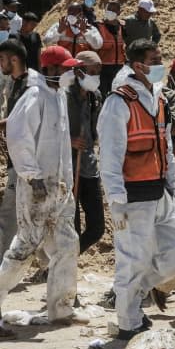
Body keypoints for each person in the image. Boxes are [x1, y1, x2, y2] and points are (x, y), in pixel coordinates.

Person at [98, 39, 175, 340]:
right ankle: (127, 321)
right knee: (132, 261)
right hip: (133, 194)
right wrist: (116, 201)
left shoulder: (159, 99)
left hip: (160, 191)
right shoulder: (119, 102)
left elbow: (167, 149)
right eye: (156, 59)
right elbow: (110, 156)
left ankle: (136, 297)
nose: (160, 64)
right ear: (138, 66)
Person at [0, 46, 83, 338]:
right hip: (37, 186)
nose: (71, 73)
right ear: (51, 70)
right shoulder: (35, 96)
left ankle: (60, 308)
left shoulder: (57, 95)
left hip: (58, 188)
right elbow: (18, 136)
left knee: (66, 244)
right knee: (24, 248)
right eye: (66, 68)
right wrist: (33, 177)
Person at [67, 50, 105, 255]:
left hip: (89, 166)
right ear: (79, 71)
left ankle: (68, 257)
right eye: (92, 71)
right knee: (71, 228)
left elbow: (95, 130)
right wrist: (69, 140)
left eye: (98, 72)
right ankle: (62, 265)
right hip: (68, 169)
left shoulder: (95, 96)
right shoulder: (63, 95)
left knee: (97, 228)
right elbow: (48, 130)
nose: (96, 77)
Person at [0, 40, 29, 257]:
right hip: (15, 159)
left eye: (2, 59)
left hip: (27, 163)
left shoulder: (32, 86)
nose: (0, 64)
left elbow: (25, 119)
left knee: (15, 213)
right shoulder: (12, 83)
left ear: (14, 59)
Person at [96, 1, 126, 97]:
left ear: (119, 12)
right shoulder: (98, 26)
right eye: (109, 9)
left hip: (119, 68)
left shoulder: (123, 26)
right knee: (102, 95)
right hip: (102, 68)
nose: (111, 12)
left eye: (114, 10)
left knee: (117, 94)